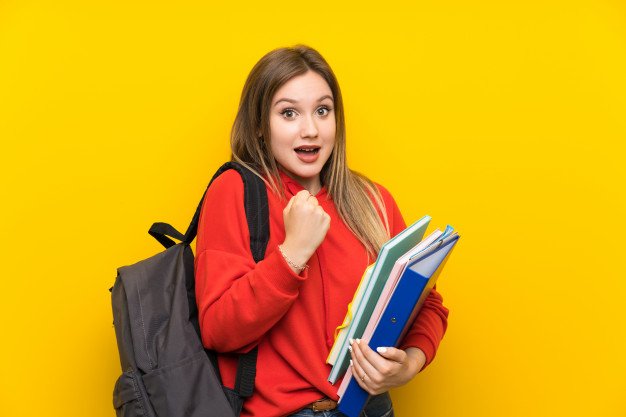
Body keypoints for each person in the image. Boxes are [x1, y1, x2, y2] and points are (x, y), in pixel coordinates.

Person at [194, 45, 449, 417]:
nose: (310, 129)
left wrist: (407, 365)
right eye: (288, 113)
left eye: (322, 111)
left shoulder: (372, 200)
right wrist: (291, 254)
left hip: (371, 408)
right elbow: (219, 330)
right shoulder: (235, 191)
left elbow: (426, 302)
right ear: (260, 127)